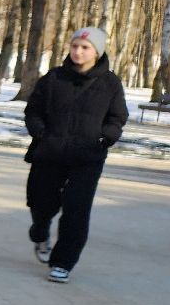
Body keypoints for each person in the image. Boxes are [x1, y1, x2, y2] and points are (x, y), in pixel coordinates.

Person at [24, 27, 126, 283]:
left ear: (97, 52)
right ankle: (40, 232)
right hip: (50, 153)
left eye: (85, 47)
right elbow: (33, 110)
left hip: (87, 158)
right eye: (75, 46)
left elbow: (117, 117)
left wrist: (105, 138)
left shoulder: (110, 83)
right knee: (41, 202)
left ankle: (63, 262)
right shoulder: (54, 78)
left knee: (76, 209)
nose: (78, 52)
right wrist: (40, 133)